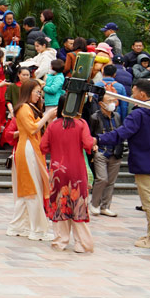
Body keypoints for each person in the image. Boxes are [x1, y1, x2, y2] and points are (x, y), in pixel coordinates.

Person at [96, 78, 150, 249]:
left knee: (149, 201)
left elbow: (121, 134)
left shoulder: (139, 113)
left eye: (133, 92)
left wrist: (98, 138)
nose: (132, 95)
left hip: (145, 161)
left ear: (141, 93)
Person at [39, 106, 97, 253]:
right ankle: (82, 244)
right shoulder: (81, 124)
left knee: (59, 204)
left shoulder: (53, 125)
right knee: (78, 204)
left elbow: (43, 146)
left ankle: (60, 241)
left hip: (58, 171)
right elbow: (88, 144)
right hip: (77, 170)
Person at [8, 79, 56, 240]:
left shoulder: (30, 108)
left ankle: (17, 226)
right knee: (32, 189)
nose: (39, 95)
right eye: (37, 92)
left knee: (26, 192)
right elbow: (32, 128)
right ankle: (37, 230)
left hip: (31, 148)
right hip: (27, 149)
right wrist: (48, 115)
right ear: (29, 92)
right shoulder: (23, 108)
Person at [88, 92, 124, 217]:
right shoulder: (95, 117)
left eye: (114, 101)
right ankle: (94, 204)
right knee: (102, 179)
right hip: (101, 151)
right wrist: (93, 145)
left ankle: (105, 206)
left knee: (111, 181)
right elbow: (90, 134)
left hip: (116, 152)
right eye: (109, 101)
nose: (112, 103)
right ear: (101, 104)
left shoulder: (117, 116)